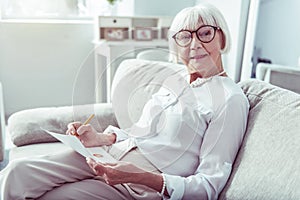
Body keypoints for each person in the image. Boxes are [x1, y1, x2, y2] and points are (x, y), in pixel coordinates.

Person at [0, 3, 249, 200]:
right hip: (109, 155)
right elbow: (139, 134)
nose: (195, 44)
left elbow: (208, 186)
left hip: (140, 186)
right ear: (176, 45)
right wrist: (101, 138)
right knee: (16, 173)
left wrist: (141, 177)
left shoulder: (230, 100)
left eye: (205, 33)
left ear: (222, 38)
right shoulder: (174, 81)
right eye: (184, 37)